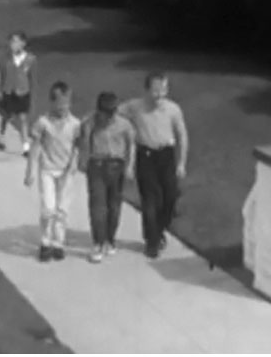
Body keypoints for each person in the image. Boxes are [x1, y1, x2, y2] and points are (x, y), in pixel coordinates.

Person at [121, 73, 189, 258]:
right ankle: (151, 241)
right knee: (150, 201)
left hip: (166, 156)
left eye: (163, 90)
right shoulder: (135, 107)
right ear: (146, 90)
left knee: (170, 197)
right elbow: (113, 113)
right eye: (155, 90)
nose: (159, 95)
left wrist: (181, 163)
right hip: (146, 156)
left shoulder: (173, 109)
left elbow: (182, 136)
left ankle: (158, 231)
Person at [25, 82, 81, 262]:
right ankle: (45, 241)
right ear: (51, 102)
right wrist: (30, 171)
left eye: (66, 103)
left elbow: (77, 147)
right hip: (48, 170)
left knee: (62, 210)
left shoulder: (75, 124)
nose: (63, 107)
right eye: (60, 104)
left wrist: (74, 164)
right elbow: (35, 147)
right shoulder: (43, 122)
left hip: (66, 172)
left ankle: (59, 243)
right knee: (48, 209)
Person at [79, 91, 135, 263]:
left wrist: (130, 166)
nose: (109, 117)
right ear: (99, 110)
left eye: (112, 113)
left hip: (116, 166)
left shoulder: (124, 125)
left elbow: (131, 145)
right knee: (97, 206)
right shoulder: (90, 122)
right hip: (96, 165)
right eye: (105, 113)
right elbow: (84, 141)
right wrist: (83, 161)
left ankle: (110, 240)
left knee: (114, 205)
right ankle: (97, 242)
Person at [0, 31, 36, 156]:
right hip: (8, 91)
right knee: (6, 116)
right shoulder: (6, 58)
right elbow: (1, 74)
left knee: (23, 118)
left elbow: (32, 78)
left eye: (16, 41)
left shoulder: (30, 59)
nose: (13, 44)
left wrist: (31, 92)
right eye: (11, 41)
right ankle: (1, 136)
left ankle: (25, 147)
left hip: (23, 92)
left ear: (23, 43)